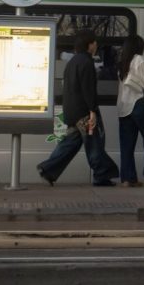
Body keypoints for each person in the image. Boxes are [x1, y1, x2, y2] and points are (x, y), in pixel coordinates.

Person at [37, 29, 118, 186]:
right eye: (94, 42)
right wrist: (93, 110)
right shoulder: (87, 63)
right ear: (89, 45)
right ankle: (101, 175)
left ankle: (48, 169)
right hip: (84, 113)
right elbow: (88, 89)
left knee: (70, 144)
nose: (96, 44)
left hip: (72, 112)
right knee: (95, 143)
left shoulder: (72, 63)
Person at [117, 35, 144, 187]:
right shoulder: (139, 60)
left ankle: (128, 179)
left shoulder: (123, 61)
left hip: (124, 107)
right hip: (138, 103)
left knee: (127, 145)